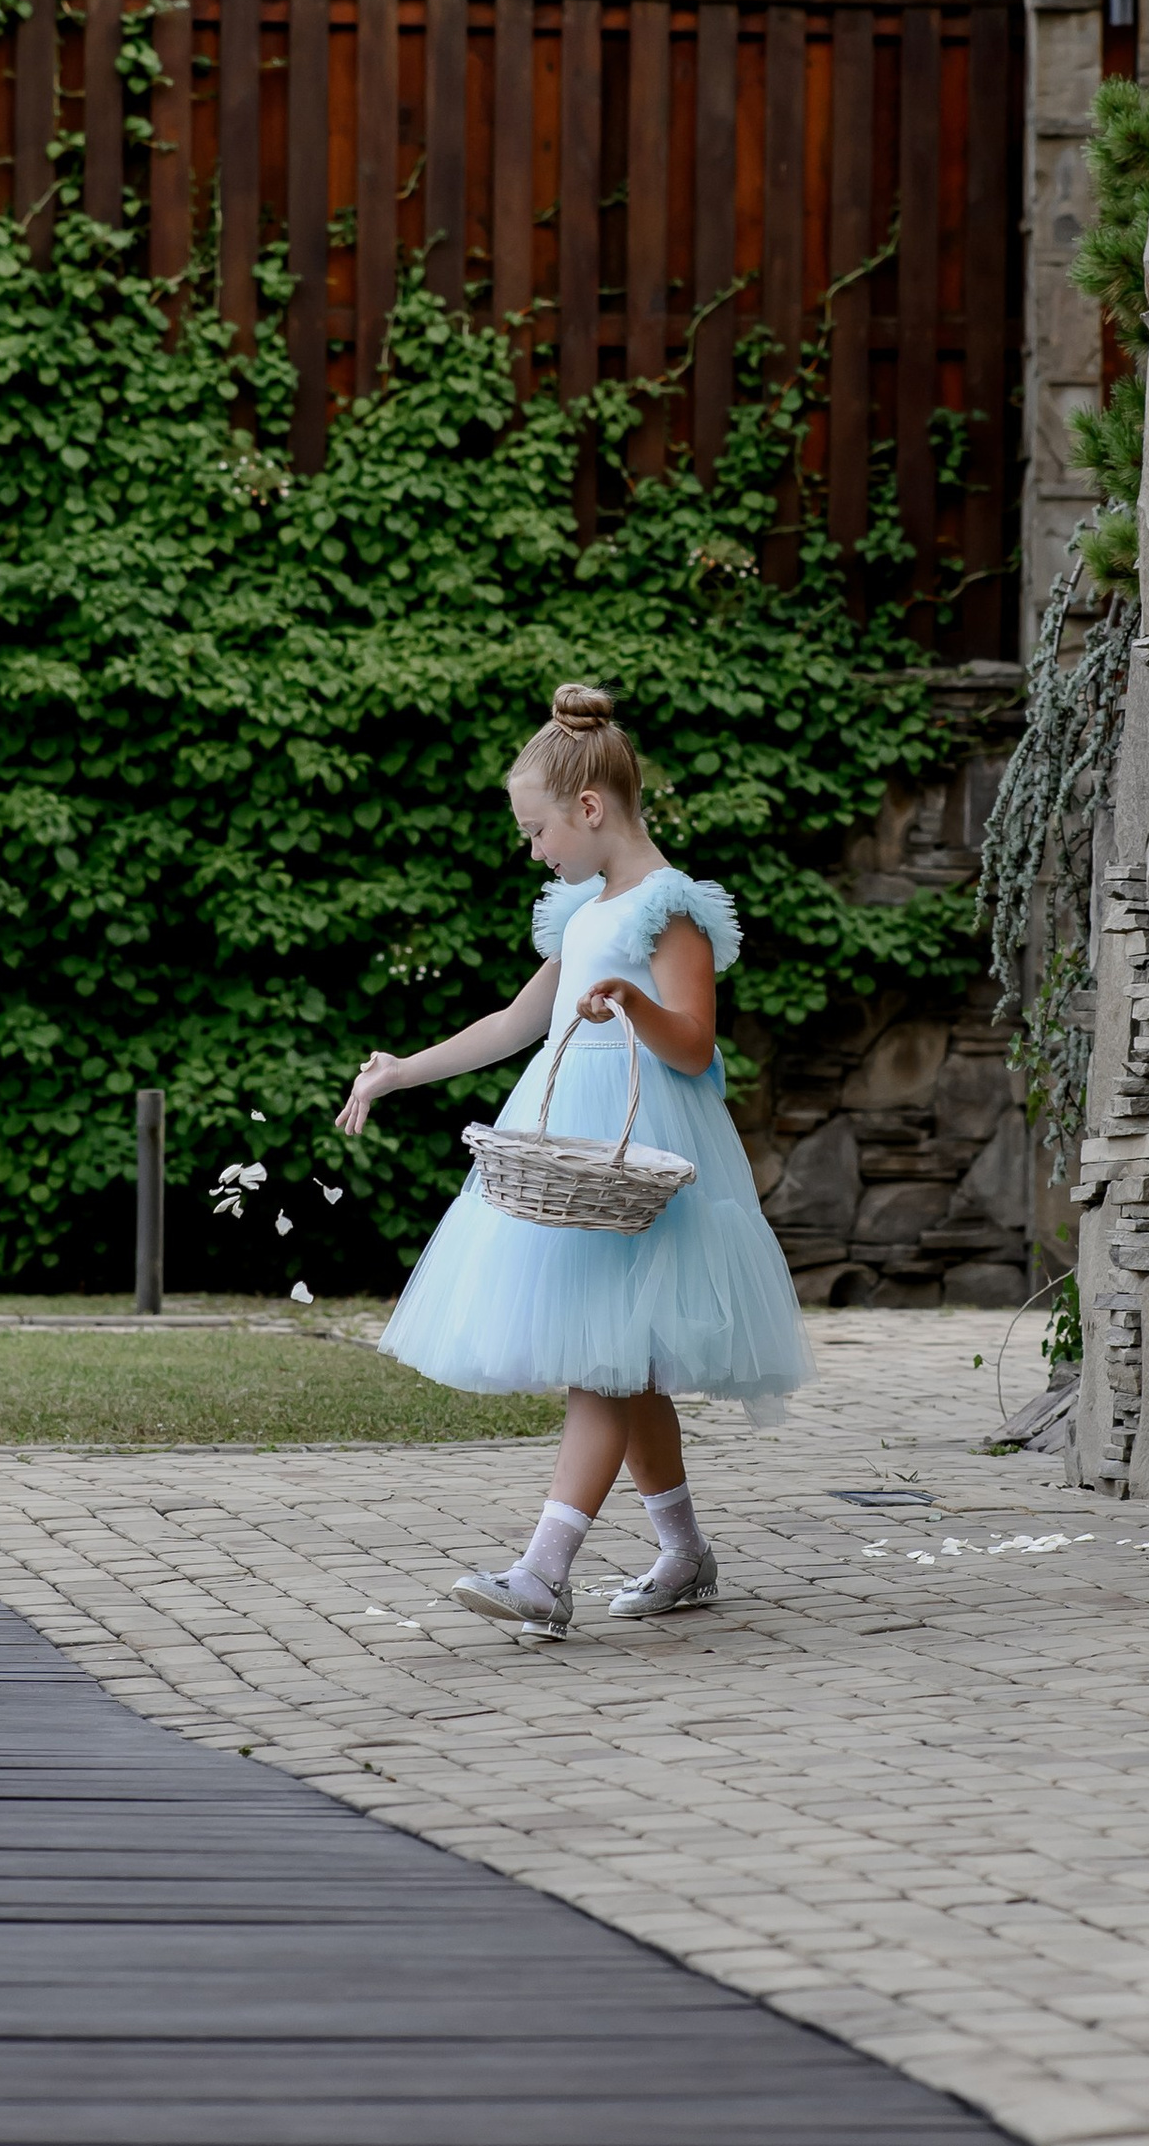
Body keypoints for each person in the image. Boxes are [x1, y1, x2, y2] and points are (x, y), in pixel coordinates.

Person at [336, 680, 809, 1638]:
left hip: (643, 1149)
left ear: (589, 809)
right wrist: (402, 1072)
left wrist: (632, 1005)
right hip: (570, 1143)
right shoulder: (583, 909)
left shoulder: (666, 911)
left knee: (608, 1356)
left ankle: (542, 1575)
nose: (534, 849)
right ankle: (683, 1554)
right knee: (618, 1359)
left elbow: (694, 1045)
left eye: (537, 829)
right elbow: (518, 1023)